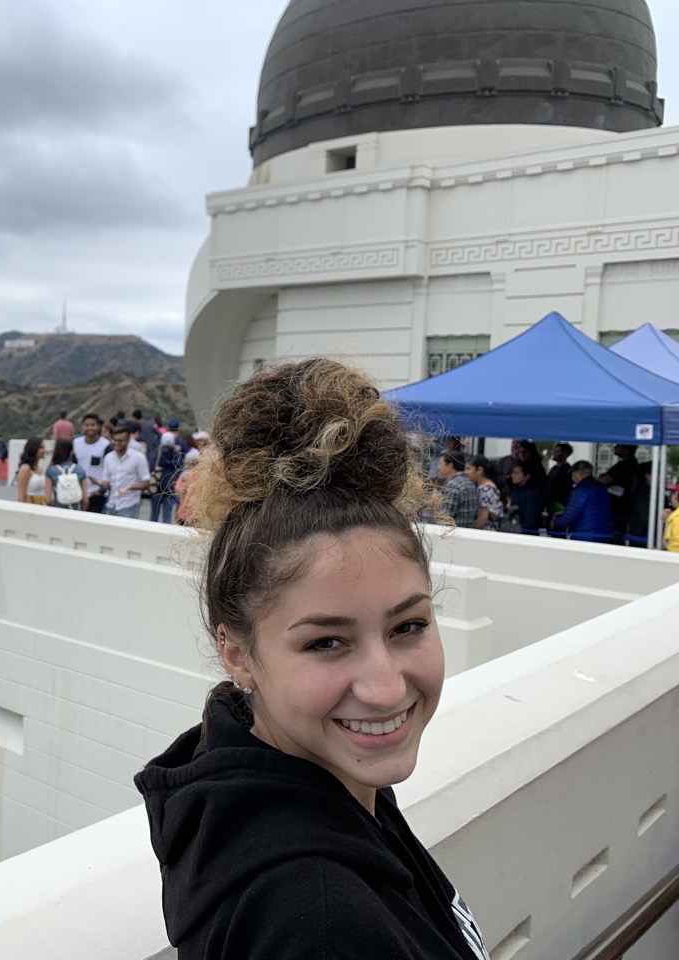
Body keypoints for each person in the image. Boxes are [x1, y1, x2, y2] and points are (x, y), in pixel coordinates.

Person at [134, 358, 489, 960]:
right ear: (237, 654)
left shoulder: (324, 778)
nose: (383, 688)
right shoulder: (316, 920)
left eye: (408, 626)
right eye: (326, 642)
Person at [552, 460, 614, 543]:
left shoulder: (580, 491)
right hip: (605, 534)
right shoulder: (601, 487)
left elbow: (569, 518)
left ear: (580, 473)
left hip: (585, 536)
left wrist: (555, 522)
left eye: (573, 475)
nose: (572, 478)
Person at [103, 424, 151, 519]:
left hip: (129, 504)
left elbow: (146, 483)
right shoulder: (108, 457)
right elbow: (106, 482)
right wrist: (99, 484)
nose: (117, 443)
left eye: (120, 441)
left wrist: (129, 487)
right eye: (114, 440)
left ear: (128, 441)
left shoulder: (138, 458)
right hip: (111, 503)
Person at [73, 413, 112, 514]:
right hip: (77, 492)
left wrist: (100, 491)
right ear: (82, 426)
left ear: (98, 427)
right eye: (87, 425)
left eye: (93, 425)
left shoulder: (106, 446)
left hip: (96, 494)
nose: (90, 427)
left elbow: (111, 470)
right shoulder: (76, 443)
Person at [435, 451, 480, 528]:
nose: (438, 467)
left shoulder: (453, 485)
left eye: (440, 464)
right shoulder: (470, 482)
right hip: (467, 532)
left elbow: (445, 517)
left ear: (449, 466)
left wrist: (435, 502)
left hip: (453, 533)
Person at [43, 437, 87, 510]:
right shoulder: (80, 470)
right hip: (76, 512)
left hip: (58, 511)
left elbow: (48, 499)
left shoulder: (51, 471)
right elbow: (85, 500)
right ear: (71, 452)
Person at [464, 456, 503, 530]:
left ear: (479, 470)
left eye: (469, 469)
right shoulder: (483, 487)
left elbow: (482, 519)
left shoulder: (486, 490)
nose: (466, 472)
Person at [507, 462, 543, 533]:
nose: (513, 476)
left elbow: (530, 518)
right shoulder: (514, 490)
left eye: (516, 473)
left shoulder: (532, 494)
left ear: (526, 476)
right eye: (513, 473)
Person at [15, 437, 47, 504]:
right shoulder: (25, 469)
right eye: (41, 448)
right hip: (30, 505)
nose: (44, 450)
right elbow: (21, 496)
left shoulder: (41, 469)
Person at [547, 443, 574, 510]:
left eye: (557, 451)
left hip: (560, 503)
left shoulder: (568, 470)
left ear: (565, 454)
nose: (554, 453)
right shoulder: (554, 468)